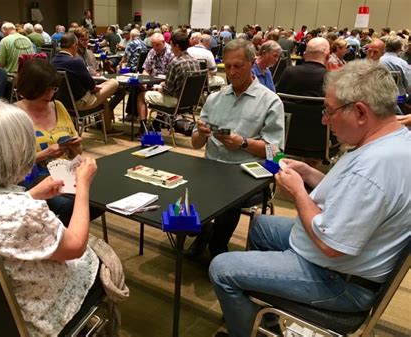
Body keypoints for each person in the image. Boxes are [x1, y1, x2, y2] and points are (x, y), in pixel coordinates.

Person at [209, 60, 410, 337]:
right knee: (261, 226)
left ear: (361, 112)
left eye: (329, 111)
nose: (324, 120)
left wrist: (298, 191)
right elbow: (350, 195)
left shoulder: (374, 168)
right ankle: (262, 316)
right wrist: (308, 173)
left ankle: (243, 330)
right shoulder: (391, 141)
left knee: (221, 268)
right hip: (341, 260)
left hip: (341, 281)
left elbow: (330, 244)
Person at [0, 98, 128, 336]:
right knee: (105, 259)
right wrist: (83, 187)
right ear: (20, 154)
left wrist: (32, 194)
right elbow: (76, 246)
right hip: (28, 317)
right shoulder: (23, 214)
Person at [188, 39, 284, 259]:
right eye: (228, 66)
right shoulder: (214, 98)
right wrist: (200, 134)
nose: (232, 72)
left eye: (238, 65)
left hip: (246, 173)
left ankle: (217, 245)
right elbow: (195, 144)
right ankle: (203, 231)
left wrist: (244, 143)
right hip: (212, 166)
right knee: (182, 183)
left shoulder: (271, 101)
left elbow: (277, 154)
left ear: (252, 63)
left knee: (227, 196)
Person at [15, 57, 104, 226]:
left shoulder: (58, 106)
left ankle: (64, 235)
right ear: (30, 88)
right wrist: (44, 154)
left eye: (53, 89)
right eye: (44, 90)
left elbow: (77, 153)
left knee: (102, 198)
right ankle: (61, 237)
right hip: (32, 179)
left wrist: (75, 146)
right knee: (70, 205)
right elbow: (12, 164)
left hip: (66, 172)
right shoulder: (14, 114)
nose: (49, 95)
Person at [51, 33, 122, 135]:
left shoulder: (52, 61)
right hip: (81, 103)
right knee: (113, 83)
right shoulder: (76, 61)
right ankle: (108, 128)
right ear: (74, 45)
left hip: (61, 103)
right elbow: (92, 87)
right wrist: (96, 87)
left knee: (103, 100)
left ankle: (107, 128)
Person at [136, 31, 200, 134]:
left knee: (141, 96)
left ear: (177, 46)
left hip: (175, 101)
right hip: (190, 102)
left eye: (171, 45)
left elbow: (167, 91)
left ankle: (143, 129)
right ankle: (156, 124)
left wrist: (157, 88)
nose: (171, 47)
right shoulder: (196, 61)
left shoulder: (175, 63)